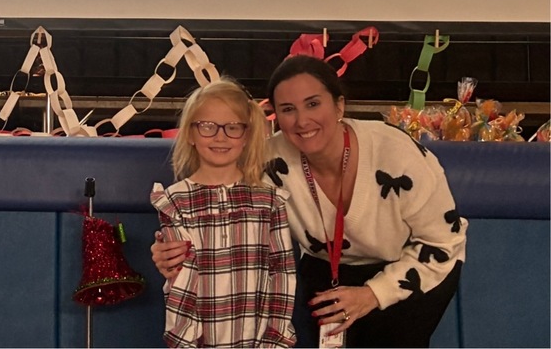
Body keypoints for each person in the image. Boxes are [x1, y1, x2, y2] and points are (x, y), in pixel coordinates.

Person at [151, 56, 467, 348]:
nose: (302, 120)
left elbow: (442, 243)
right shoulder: (269, 159)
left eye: (313, 104)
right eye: (288, 109)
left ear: (339, 105)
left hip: (417, 263)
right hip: (329, 267)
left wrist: (373, 294)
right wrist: (171, 249)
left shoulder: (398, 154)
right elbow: (223, 208)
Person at [150, 78, 297, 348]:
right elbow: (181, 283)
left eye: (232, 127)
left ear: (246, 135)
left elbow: (282, 276)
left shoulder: (270, 201)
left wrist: (276, 342)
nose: (220, 136)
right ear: (191, 134)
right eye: (207, 126)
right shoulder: (174, 202)